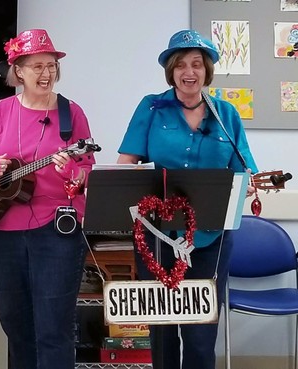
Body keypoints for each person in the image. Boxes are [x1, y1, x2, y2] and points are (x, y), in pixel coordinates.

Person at [117, 29, 258, 369]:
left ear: (207, 71)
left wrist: (249, 185)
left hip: (210, 240)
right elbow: (125, 167)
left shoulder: (227, 114)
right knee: (162, 332)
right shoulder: (150, 108)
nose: (189, 71)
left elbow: (246, 171)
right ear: (172, 72)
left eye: (197, 64)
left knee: (200, 335)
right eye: (181, 65)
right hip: (156, 237)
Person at [0, 29, 96, 369]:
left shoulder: (71, 114)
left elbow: (87, 173)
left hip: (56, 229)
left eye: (50, 65)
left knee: (54, 325)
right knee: (14, 321)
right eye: (37, 66)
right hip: (4, 227)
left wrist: (72, 174)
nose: (46, 73)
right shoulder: (2, 112)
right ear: (18, 71)